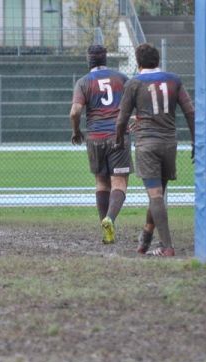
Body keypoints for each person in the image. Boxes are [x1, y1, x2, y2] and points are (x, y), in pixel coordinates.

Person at [115, 43, 195, 256]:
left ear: (139, 62)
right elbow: (190, 113)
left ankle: (167, 246)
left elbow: (121, 119)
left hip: (147, 145)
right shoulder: (174, 80)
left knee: (155, 195)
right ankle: (146, 239)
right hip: (169, 144)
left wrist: (118, 140)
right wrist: (196, 141)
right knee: (157, 194)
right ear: (158, 60)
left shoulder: (134, 83)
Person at [70, 45, 131, 244]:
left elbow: (75, 112)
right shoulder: (121, 78)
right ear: (106, 59)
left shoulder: (83, 82)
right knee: (119, 182)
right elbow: (134, 103)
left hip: (95, 137)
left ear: (88, 61)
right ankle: (110, 219)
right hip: (118, 136)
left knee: (101, 182)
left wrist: (76, 131)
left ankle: (105, 229)